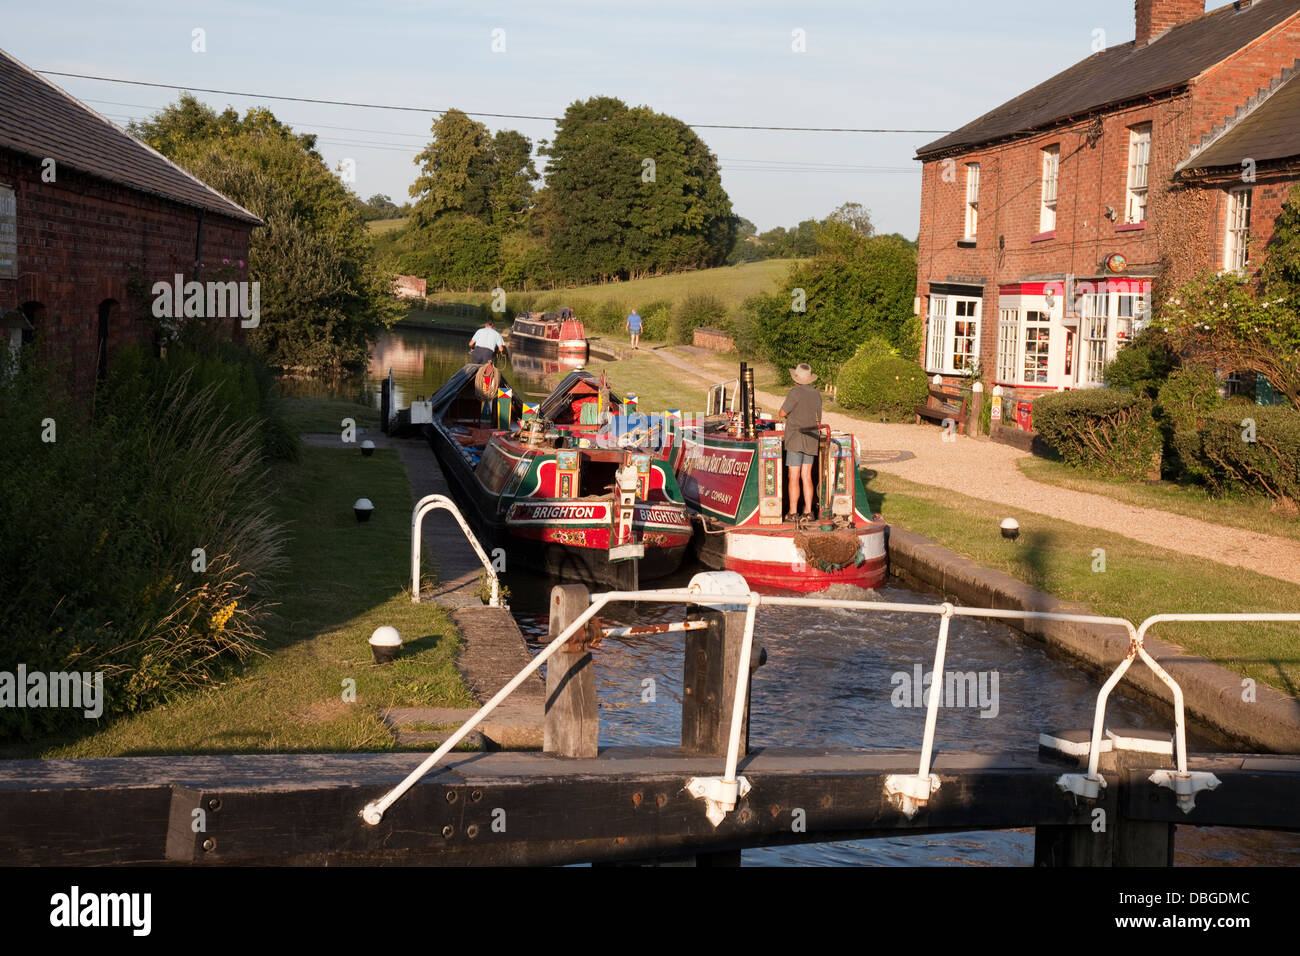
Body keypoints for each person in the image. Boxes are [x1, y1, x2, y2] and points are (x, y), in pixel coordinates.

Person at [778, 363, 822, 522]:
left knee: (794, 476)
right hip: (811, 438)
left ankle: (793, 512)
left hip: (796, 438)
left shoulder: (795, 392)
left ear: (796, 378)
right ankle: (809, 512)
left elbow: (782, 412)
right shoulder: (817, 394)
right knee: (807, 476)